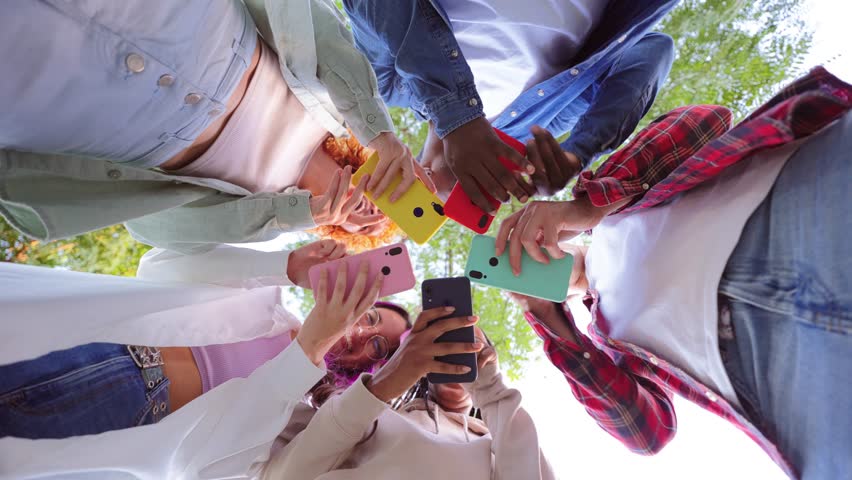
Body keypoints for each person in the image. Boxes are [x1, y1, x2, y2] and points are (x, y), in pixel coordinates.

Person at [497, 67, 851, 479]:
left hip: (800, 206)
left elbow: (707, 119)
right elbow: (648, 434)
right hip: (784, 375)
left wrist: (586, 207)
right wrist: (548, 319)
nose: (540, 253)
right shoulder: (607, 340)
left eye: (536, 241)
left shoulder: (613, 210)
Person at [0, 0, 433, 255]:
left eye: (370, 229)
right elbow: (319, 29)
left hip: (108, 116)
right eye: (391, 211)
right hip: (194, 29)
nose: (376, 216)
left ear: (340, 232)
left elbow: (151, 229)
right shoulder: (340, 110)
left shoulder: (265, 222)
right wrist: (380, 134)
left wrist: (299, 215)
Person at [0, 239, 413, 479]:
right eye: (371, 317)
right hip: (85, 334)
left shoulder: (299, 414)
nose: (361, 333)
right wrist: (285, 266)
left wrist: (309, 350)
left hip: (131, 401)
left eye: (378, 348)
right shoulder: (263, 301)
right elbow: (157, 266)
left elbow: (215, 470)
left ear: (370, 370)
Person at [342, 0, 678, 210]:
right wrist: (579, 152)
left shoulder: (389, 85)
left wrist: (457, 117)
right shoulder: (547, 123)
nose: (467, 194)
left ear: (418, 168)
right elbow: (649, 51)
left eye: (426, 202)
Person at [262, 309, 555, 480]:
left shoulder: (495, 441)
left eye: (475, 347)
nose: (462, 351)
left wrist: (492, 392)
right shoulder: (360, 416)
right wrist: (383, 386)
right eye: (444, 342)